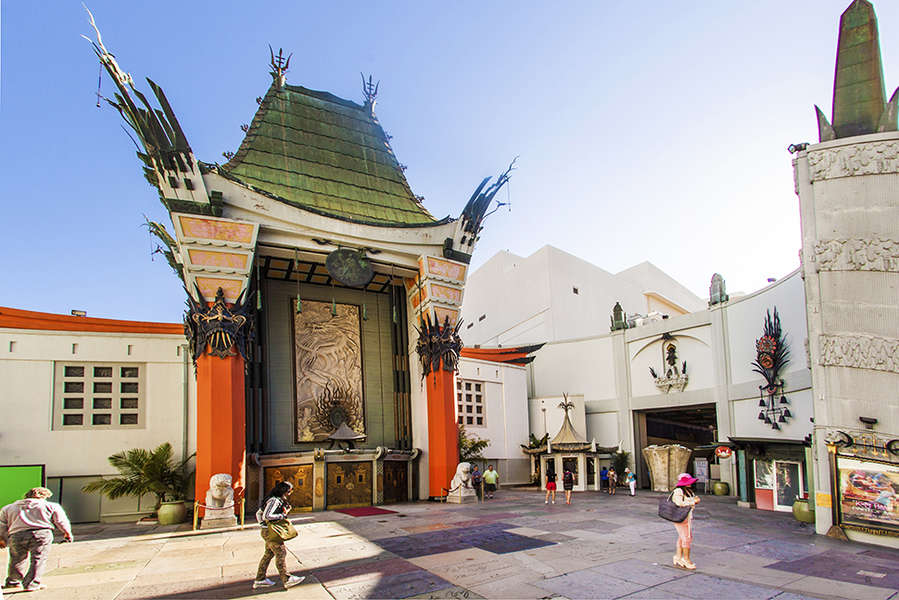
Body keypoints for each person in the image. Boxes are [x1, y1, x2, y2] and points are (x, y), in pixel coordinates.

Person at [0, 487, 73, 592]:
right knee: (38, 559)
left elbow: (2, 525)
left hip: (16, 535)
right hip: (41, 534)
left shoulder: (8, 508)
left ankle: (13, 581)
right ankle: (31, 584)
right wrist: (67, 533)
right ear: (43, 496)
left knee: (16, 559)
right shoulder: (50, 506)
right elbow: (60, 521)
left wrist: (2, 538)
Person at [254, 481, 305, 590]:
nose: (290, 493)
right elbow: (267, 516)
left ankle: (260, 579)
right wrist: (282, 515)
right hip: (271, 532)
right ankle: (286, 579)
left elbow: (259, 513)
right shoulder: (275, 500)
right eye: (289, 491)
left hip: (267, 531)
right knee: (281, 553)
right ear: (284, 490)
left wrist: (263, 525)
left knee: (268, 554)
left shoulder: (271, 499)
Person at [671, 472, 701, 570]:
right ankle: (686, 559)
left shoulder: (687, 491)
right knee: (687, 538)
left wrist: (694, 500)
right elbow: (679, 503)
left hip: (686, 517)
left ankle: (678, 557)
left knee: (682, 537)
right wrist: (693, 501)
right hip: (681, 517)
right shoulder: (678, 491)